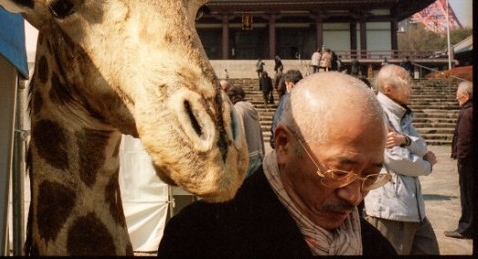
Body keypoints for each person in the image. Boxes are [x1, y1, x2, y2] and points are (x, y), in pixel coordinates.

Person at [158, 72, 396, 257]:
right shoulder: (200, 236)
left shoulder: (375, 247)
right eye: (339, 172)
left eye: (370, 177)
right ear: (283, 144)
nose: (354, 196)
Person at [363, 64, 440, 255]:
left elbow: (422, 146)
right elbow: (394, 157)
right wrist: (428, 165)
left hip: (413, 206)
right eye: (406, 83)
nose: (411, 89)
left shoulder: (401, 113)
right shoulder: (377, 113)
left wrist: (404, 140)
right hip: (390, 207)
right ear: (388, 89)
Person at [444, 81, 473, 239]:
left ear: (466, 96)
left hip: (468, 163)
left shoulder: (467, 113)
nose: (457, 99)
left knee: (467, 196)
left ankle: (465, 228)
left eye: (458, 96)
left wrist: (460, 159)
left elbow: (464, 139)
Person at [228, 84, 264, 178]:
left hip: (247, 158)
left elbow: (240, 135)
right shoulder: (251, 108)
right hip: (257, 155)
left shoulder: (238, 109)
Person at [269, 69, 303, 149]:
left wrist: (275, 140)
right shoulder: (306, 97)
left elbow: (279, 121)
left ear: (291, 85)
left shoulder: (287, 98)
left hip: (286, 145)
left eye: (286, 84)